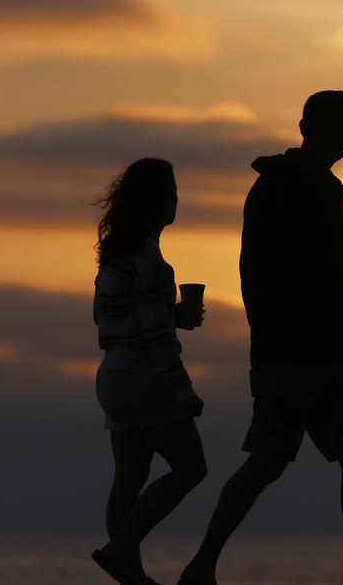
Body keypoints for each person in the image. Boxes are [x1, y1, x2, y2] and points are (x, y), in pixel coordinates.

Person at [179, 91, 343, 585]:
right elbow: (320, 270)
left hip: (275, 350)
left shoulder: (266, 187)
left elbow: (262, 271)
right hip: (327, 348)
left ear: (302, 125)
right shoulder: (320, 186)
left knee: (266, 460)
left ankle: (202, 564)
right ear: (342, 133)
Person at [91, 158, 209, 585]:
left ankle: (130, 574)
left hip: (113, 375)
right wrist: (184, 390)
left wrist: (168, 313)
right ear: (159, 202)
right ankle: (120, 551)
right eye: (173, 191)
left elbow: (110, 318)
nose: (177, 199)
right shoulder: (154, 264)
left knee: (129, 476)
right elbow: (158, 339)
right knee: (191, 469)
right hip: (145, 377)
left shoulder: (116, 259)